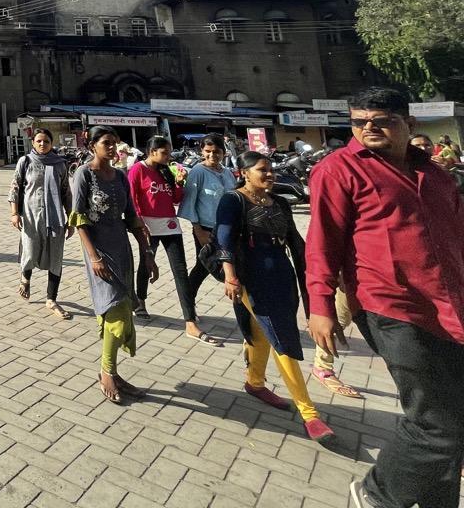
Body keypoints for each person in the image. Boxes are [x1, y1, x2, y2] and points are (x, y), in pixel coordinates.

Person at [307, 88, 464, 508]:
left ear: (409, 125)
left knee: (453, 418)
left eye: (381, 120)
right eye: (359, 122)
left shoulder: (438, 175)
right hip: (390, 306)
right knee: (436, 423)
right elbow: (322, 242)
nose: (368, 128)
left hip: (449, 307)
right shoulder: (337, 170)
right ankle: (377, 495)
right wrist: (321, 307)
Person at [215, 152, 334, 442]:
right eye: (262, 170)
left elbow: (295, 239)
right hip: (250, 277)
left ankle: (254, 383)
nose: (270, 175)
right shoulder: (233, 200)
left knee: (260, 331)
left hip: (282, 273)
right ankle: (309, 414)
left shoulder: (279, 202)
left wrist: (317, 272)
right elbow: (224, 239)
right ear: (244, 173)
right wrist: (230, 276)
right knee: (281, 336)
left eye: (271, 170)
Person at [70, 126, 156, 404]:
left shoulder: (120, 176)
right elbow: (79, 217)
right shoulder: (84, 174)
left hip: (121, 247)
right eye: (106, 143)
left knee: (122, 308)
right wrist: (93, 257)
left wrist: (147, 252)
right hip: (99, 250)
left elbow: (131, 216)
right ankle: (107, 372)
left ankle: (113, 371)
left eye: (115, 143)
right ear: (92, 145)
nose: (112, 148)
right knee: (114, 311)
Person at [129, 136, 221, 346]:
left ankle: (189, 317)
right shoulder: (138, 170)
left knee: (180, 269)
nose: (169, 157)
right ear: (152, 151)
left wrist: (179, 181)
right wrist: (139, 224)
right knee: (146, 262)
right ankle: (140, 301)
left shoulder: (166, 170)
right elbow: (132, 198)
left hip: (170, 224)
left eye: (169, 153)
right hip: (148, 225)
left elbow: (176, 198)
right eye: (165, 153)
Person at [10, 128, 73, 319]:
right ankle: (25, 279)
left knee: (56, 258)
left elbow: (66, 193)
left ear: (51, 143)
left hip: (55, 219)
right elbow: (15, 186)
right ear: (33, 143)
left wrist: (70, 219)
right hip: (31, 217)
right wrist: (14, 213)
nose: (42, 144)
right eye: (38, 141)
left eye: (46, 141)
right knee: (30, 251)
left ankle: (51, 299)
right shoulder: (26, 161)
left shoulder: (60, 164)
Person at [177, 134, 237, 302]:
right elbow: (190, 202)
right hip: (206, 229)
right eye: (208, 151)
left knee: (232, 263)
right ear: (202, 151)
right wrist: (198, 231)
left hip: (228, 227)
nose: (212, 155)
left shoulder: (227, 172)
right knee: (204, 266)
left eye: (216, 151)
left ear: (224, 152)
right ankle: (188, 303)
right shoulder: (198, 171)